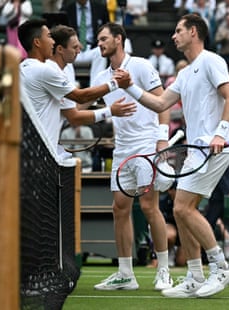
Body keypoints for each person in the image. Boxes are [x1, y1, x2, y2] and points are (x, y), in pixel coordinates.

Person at [123, 14, 229, 298]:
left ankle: (221, 266)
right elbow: (160, 102)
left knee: (184, 209)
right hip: (196, 150)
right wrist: (129, 85)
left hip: (214, 147)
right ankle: (194, 275)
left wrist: (221, 132)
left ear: (194, 32)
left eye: (178, 31)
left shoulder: (211, 61)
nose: (173, 36)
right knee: (179, 210)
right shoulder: (185, 74)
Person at [90, 22, 173, 291]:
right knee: (119, 209)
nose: (100, 43)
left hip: (147, 144)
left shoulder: (141, 65)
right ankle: (126, 274)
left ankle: (164, 270)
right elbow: (79, 104)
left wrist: (162, 137)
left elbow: (162, 102)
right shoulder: (101, 78)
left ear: (118, 39)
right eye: (98, 40)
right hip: (122, 148)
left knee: (150, 207)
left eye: (104, 39)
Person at [17, 19, 135, 153]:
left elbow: (74, 108)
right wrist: (115, 85)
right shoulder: (46, 71)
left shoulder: (23, 68)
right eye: (49, 37)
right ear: (37, 42)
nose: (53, 42)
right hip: (38, 151)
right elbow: (79, 101)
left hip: (32, 148)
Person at [60, 0, 110, 85]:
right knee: (63, 53)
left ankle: (95, 90)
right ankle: (71, 89)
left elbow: (107, 29)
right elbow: (61, 32)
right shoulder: (66, 9)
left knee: (101, 51)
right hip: (73, 49)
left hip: (92, 47)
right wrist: (74, 44)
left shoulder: (100, 7)